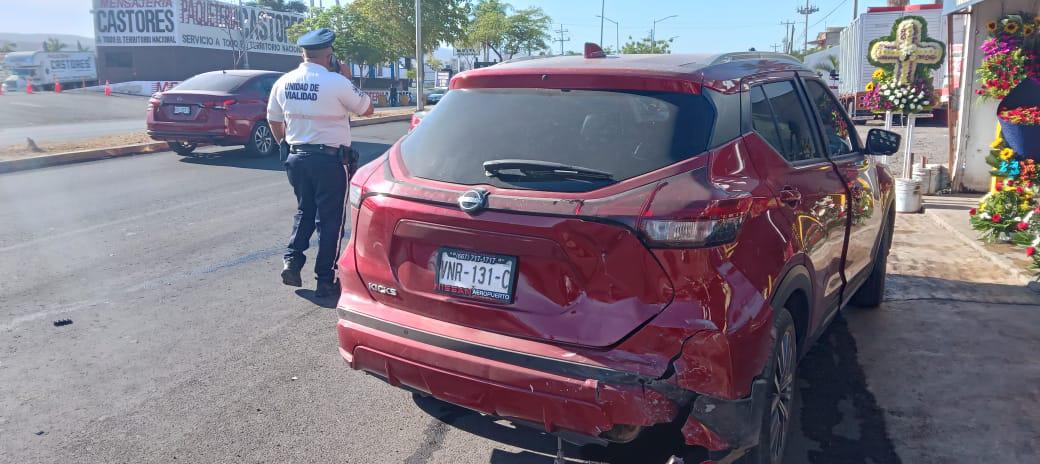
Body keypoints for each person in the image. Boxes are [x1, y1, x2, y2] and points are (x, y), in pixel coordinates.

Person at [267, 28, 375, 298]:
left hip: (297, 158)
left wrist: (286, 144)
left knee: (305, 209)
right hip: (329, 162)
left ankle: (292, 260)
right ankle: (325, 280)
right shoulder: (336, 81)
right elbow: (367, 109)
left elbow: (274, 120)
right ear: (329, 55)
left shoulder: (284, 82)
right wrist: (347, 79)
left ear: (303, 54)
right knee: (330, 222)